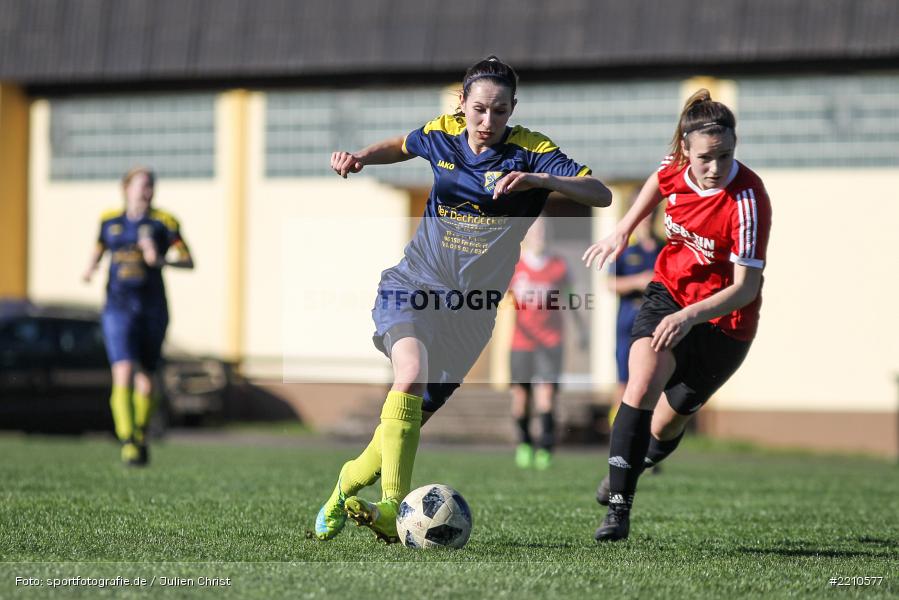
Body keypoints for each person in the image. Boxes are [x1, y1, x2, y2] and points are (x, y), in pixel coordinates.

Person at [312, 56, 612, 543]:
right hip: (414, 284)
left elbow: (600, 194)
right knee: (410, 373)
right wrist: (362, 156)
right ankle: (392, 508)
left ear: (513, 108)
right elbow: (403, 145)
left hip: (471, 313)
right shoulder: (443, 132)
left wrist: (541, 181)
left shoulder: (532, 150)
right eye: (479, 109)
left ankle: (343, 485)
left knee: (404, 424)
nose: (487, 121)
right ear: (462, 104)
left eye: (500, 111)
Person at [583, 89, 772, 541]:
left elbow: (746, 288)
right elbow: (657, 181)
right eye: (705, 157)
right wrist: (623, 230)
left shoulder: (748, 200)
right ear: (686, 152)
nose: (715, 167)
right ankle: (618, 510)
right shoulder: (675, 170)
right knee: (640, 384)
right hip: (669, 294)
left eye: (725, 156)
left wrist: (690, 317)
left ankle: (635, 464)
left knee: (667, 424)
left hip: (725, 323)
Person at [83, 167, 194, 466]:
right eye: (142, 185)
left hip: (152, 309)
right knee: (123, 371)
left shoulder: (165, 222)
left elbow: (188, 260)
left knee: (147, 379)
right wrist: (90, 267)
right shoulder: (109, 220)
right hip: (117, 308)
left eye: (151, 186)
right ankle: (128, 442)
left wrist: (160, 260)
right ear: (126, 188)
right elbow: (100, 246)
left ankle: (142, 433)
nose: (147, 192)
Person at [508, 216, 587, 470]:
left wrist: (581, 329)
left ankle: (545, 447)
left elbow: (571, 299)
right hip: (521, 341)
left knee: (546, 396)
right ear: (527, 235)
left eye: (543, 230)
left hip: (551, 340)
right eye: (535, 230)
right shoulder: (515, 266)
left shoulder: (558, 266)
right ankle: (525, 443)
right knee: (521, 397)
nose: (539, 235)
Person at [606, 208, 662, 428]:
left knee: (654, 380)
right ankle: (617, 434)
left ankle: (651, 436)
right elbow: (610, 283)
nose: (647, 218)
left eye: (651, 212)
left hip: (658, 324)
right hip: (628, 323)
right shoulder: (625, 248)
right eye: (643, 213)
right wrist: (638, 281)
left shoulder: (664, 248)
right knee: (624, 380)